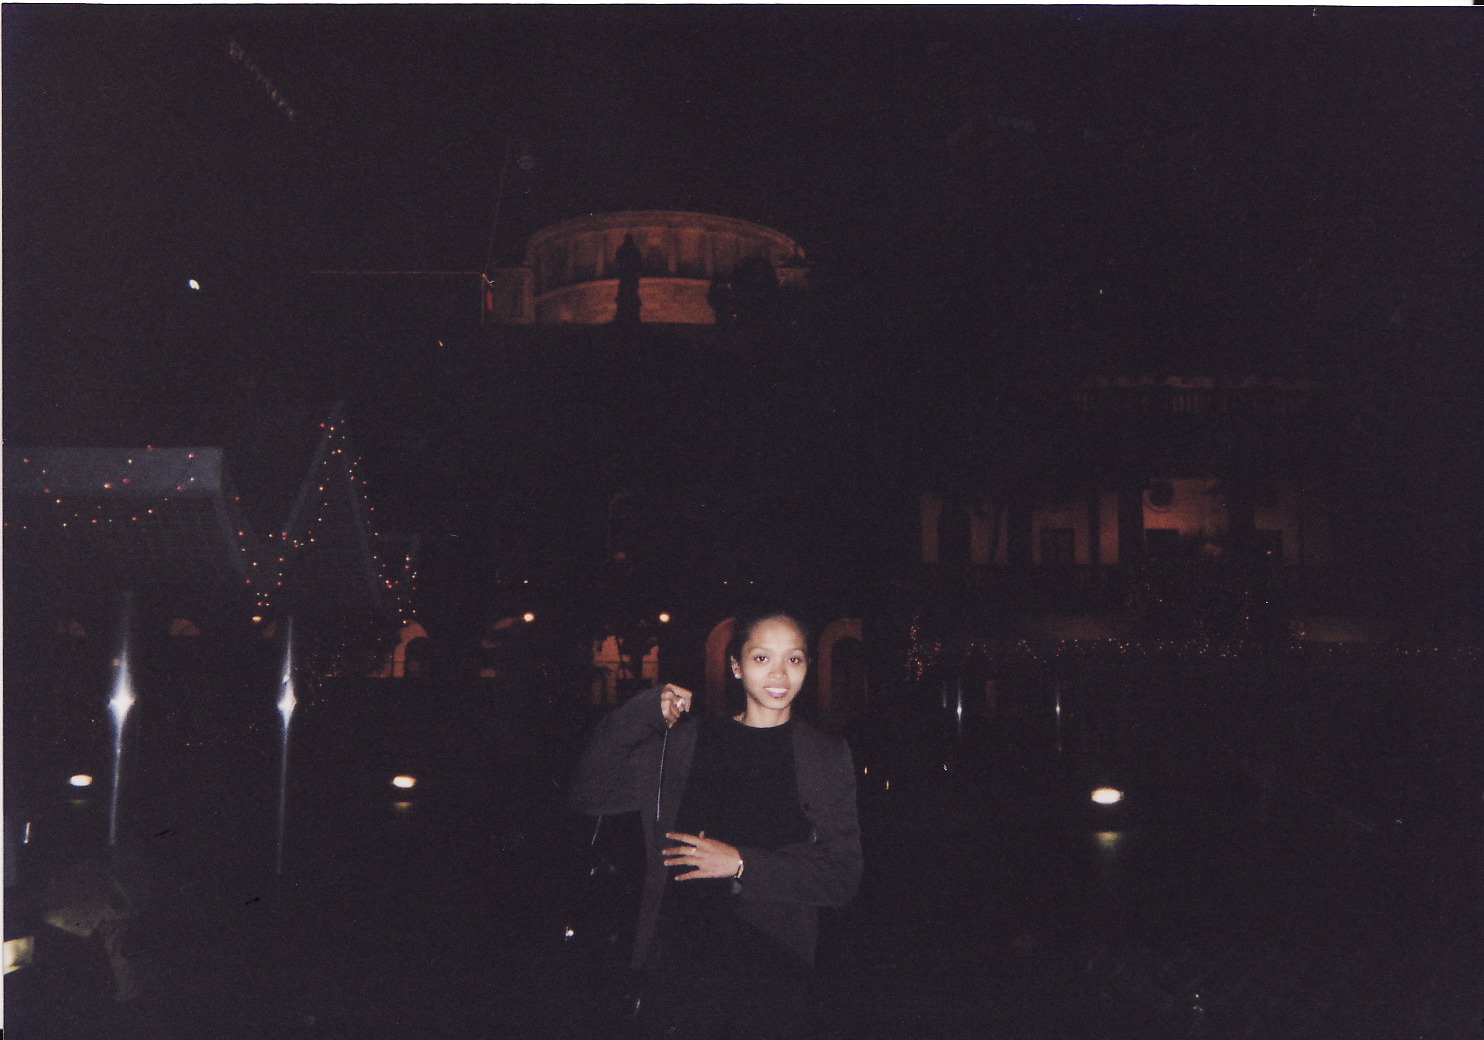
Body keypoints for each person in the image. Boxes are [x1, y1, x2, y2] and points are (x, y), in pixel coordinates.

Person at [569, 610, 863, 1039]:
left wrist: (742, 862)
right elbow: (590, 793)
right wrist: (641, 714)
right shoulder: (688, 742)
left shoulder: (825, 756)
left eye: (794, 659)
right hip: (678, 961)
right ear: (736, 667)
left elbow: (842, 877)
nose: (779, 673)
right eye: (762, 658)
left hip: (771, 969)